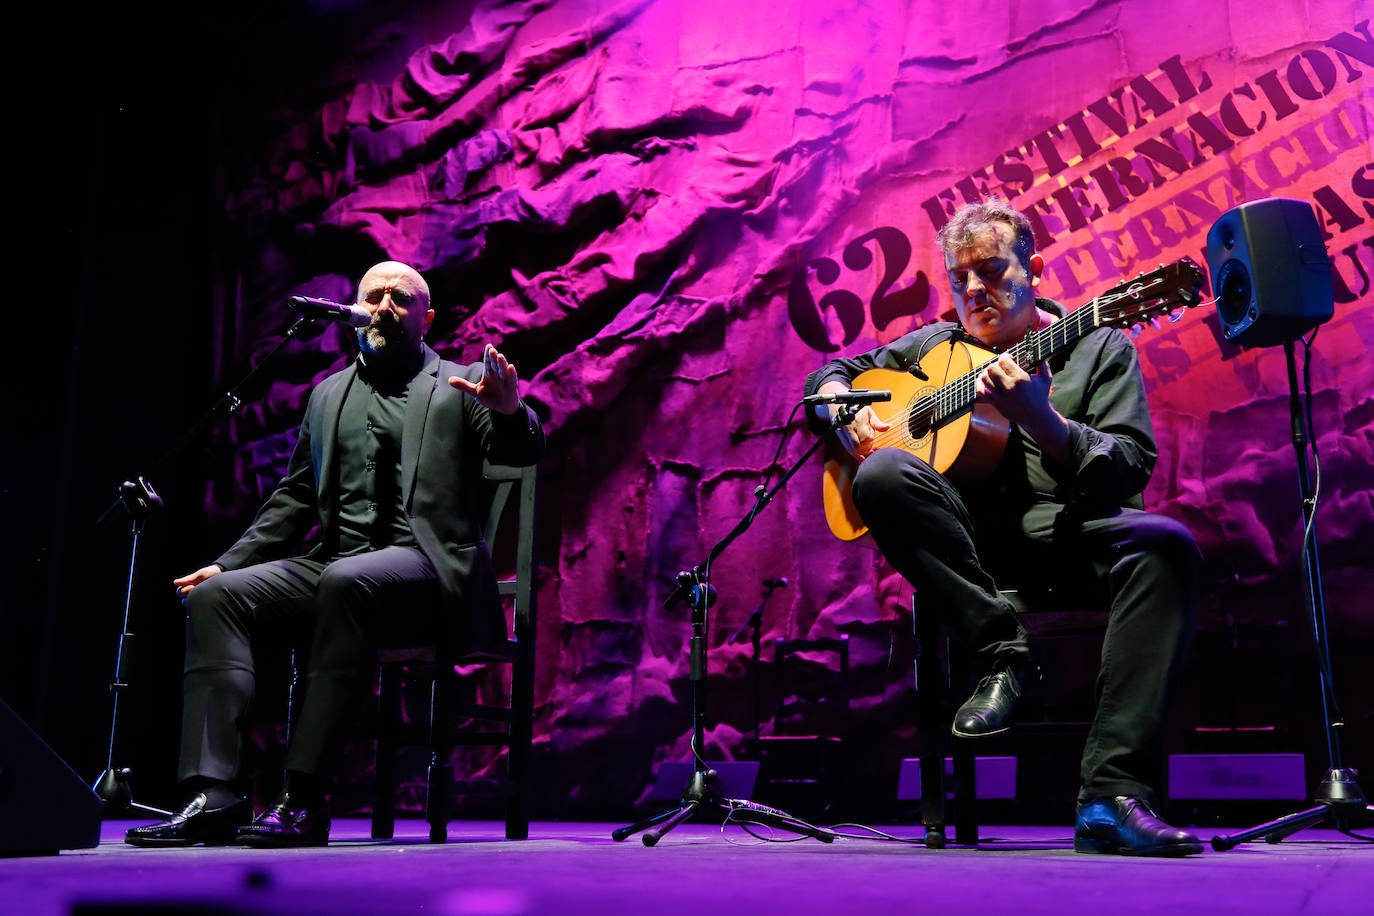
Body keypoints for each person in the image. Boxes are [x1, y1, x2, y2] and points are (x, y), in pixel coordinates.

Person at [804, 197, 1203, 856]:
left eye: (990, 271)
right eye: (959, 279)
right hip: (966, 550)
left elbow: (1129, 468)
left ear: (1035, 267)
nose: (973, 291)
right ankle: (1002, 651)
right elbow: (832, 375)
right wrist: (844, 413)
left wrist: (1044, 422)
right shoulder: (932, 346)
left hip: (1064, 533)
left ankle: (1111, 794)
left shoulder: (1097, 343)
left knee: (1166, 546)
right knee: (879, 476)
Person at [126, 260, 545, 848]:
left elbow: (523, 450)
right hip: (336, 569)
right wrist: (228, 562)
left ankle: (303, 798)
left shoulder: (459, 383)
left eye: (401, 299)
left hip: (430, 576)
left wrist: (509, 412)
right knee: (219, 597)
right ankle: (212, 794)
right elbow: (295, 495)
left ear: (428, 317)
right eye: (373, 296)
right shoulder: (327, 396)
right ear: (354, 310)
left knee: (348, 582)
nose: (384, 307)